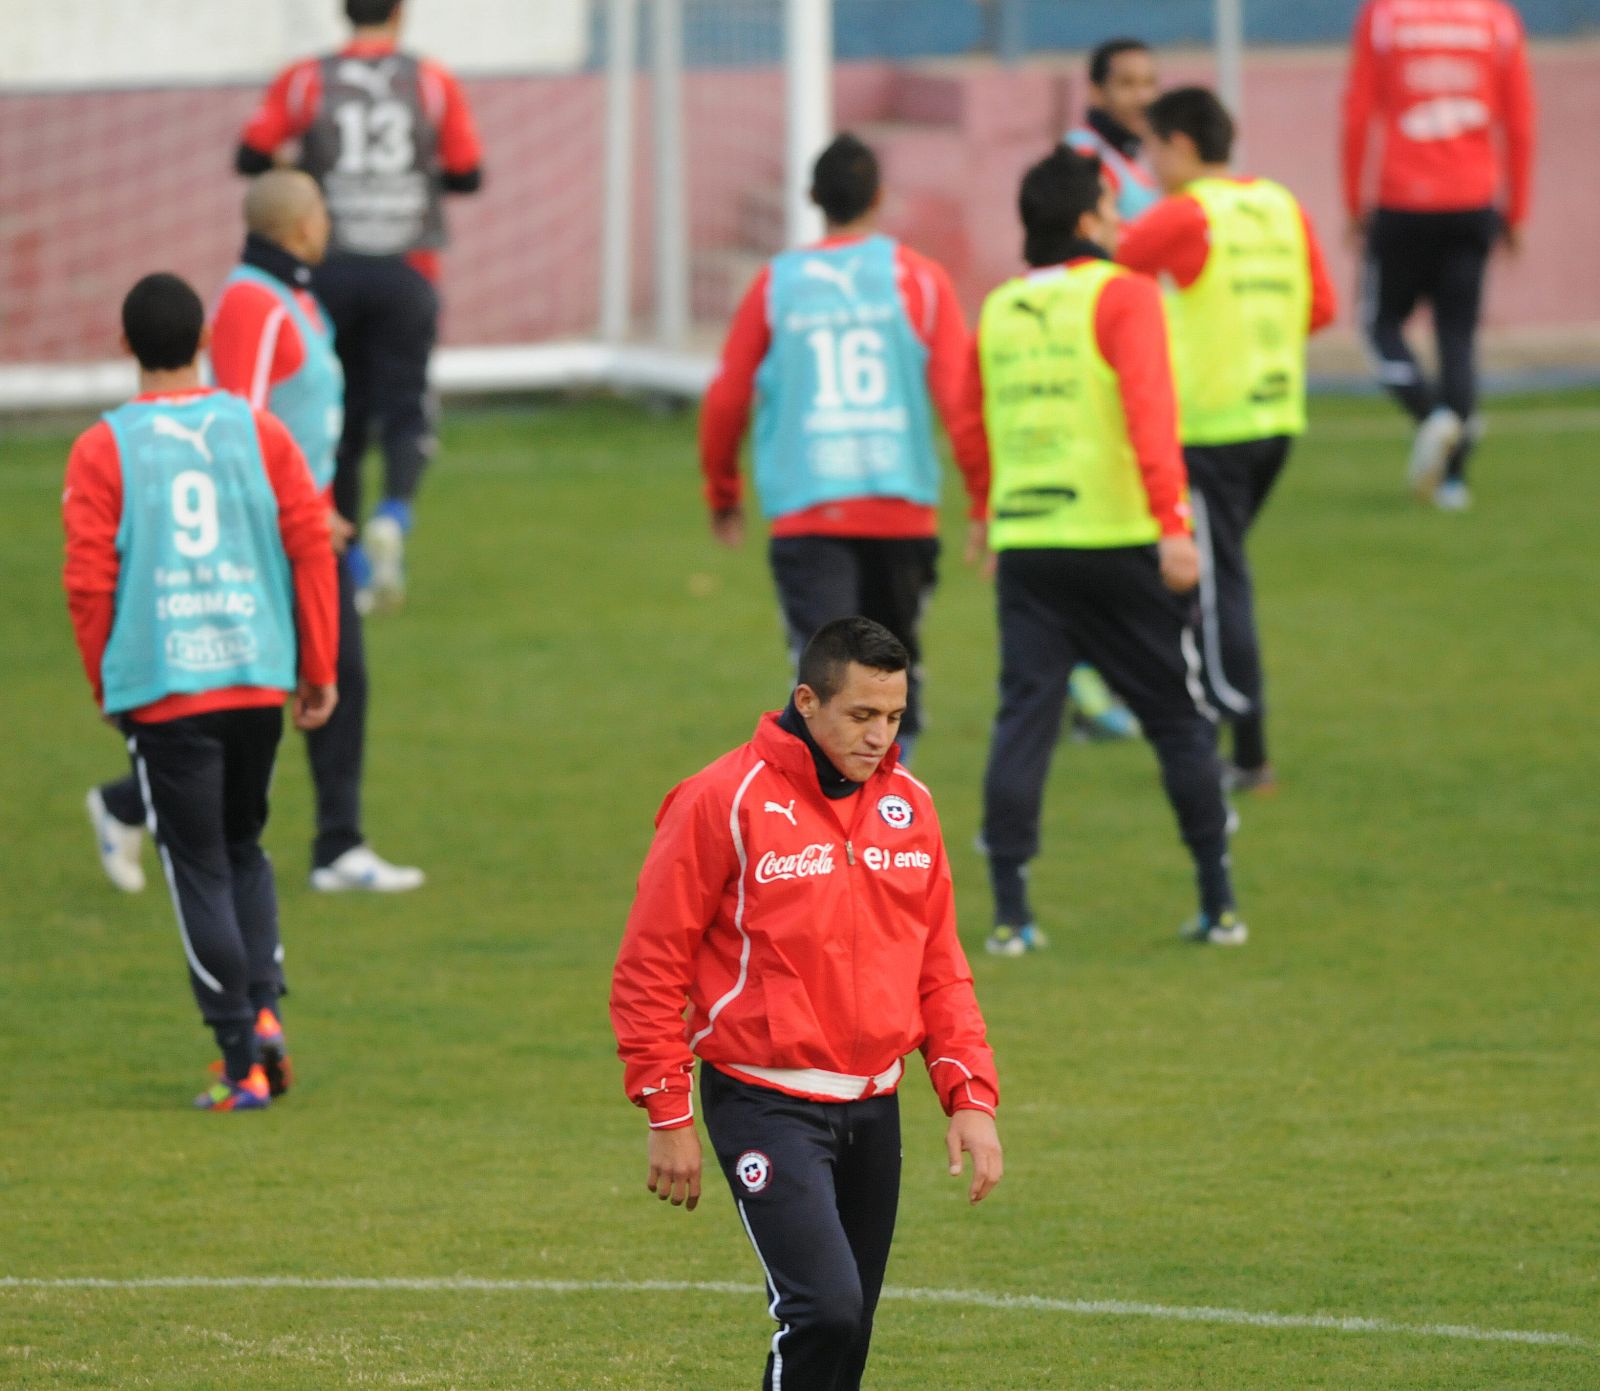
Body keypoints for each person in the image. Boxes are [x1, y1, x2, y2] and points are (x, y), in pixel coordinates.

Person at [610, 617, 1002, 1390]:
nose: (879, 738)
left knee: (847, 1331)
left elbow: (940, 965)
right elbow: (650, 964)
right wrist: (667, 1110)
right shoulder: (720, 799)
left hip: (874, 1104)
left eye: (893, 718)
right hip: (763, 1100)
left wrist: (970, 1095)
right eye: (860, 716)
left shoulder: (911, 806)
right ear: (807, 700)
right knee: (822, 1308)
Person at [85, 172, 424, 896]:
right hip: (281, 531)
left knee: (318, 680)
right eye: (323, 213)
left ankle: (332, 840)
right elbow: (237, 422)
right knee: (262, 688)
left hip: (309, 520)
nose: (330, 223)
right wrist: (298, 510)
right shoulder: (254, 303)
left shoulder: (293, 295)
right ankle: (145, 805)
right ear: (302, 226)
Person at [62, 273, 339, 1109]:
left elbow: (87, 581)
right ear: (206, 339)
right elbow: (311, 542)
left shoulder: (102, 447)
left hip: (167, 683)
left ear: (125, 346)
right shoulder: (257, 431)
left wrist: (108, 683)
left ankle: (239, 1058)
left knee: (197, 866)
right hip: (256, 672)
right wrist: (318, 666)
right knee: (244, 846)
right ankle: (265, 1014)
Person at [967, 147, 1248, 952]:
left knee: (1025, 719)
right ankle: (1218, 900)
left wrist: (985, 512)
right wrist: (1175, 525)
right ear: (1088, 220)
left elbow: (971, 416)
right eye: (1113, 208)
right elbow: (1150, 414)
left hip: (1029, 544)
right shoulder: (1124, 294)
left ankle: (1012, 916)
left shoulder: (999, 307)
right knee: (1176, 717)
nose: (1125, 221)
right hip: (1119, 540)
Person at [700, 134, 989, 764]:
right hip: (901, 509)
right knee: (888, 678)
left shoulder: (777, 284)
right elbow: (962, 403)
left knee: (827, 686)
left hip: (810, 509)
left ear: (811, 199)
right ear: (881, 198)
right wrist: (984, 500)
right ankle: (879, 825)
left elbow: (727, 396)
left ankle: (837, 840)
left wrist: (722, 491)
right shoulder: (922, 281)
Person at [1118, 87, 1337, 796]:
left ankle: (1245, 749)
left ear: (1180, 144)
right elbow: (1322, 307)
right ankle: (1207, 725)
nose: (1149, 164)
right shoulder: (1280, 204)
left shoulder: (1184, 216)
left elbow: (1106, 275)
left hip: (1210, 429)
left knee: (1216, 586)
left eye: (1152, 148)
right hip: (1277, 418)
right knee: (1216, 576)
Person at [236, 0, 485, 610]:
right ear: (400, 13)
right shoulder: (430, 81)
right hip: (408, 268)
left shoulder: (304, 80)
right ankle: (393, 514)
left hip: (330, 271)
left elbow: (249, 156)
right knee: (406, 407)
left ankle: (343, 555)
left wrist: (311, 175)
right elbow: (469, 173)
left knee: (335, 416)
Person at [1341, 0, 1535, 510]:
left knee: (1380, 325)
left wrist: (1351, 200)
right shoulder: (1497, 20)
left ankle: (1432, 417)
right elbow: (1519, 122)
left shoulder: (1384, 17)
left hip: (1403, 200)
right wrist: (1516, 212)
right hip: (1473, 202)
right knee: (1457, 335)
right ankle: (1453, 479)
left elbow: (1358, 111)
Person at [1065, 37, 1162, 224]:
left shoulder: (1150, 150)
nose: (1143, 97)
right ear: (1096, 92)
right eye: (1127, 84)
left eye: (1149, 83)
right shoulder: (1082, 152)